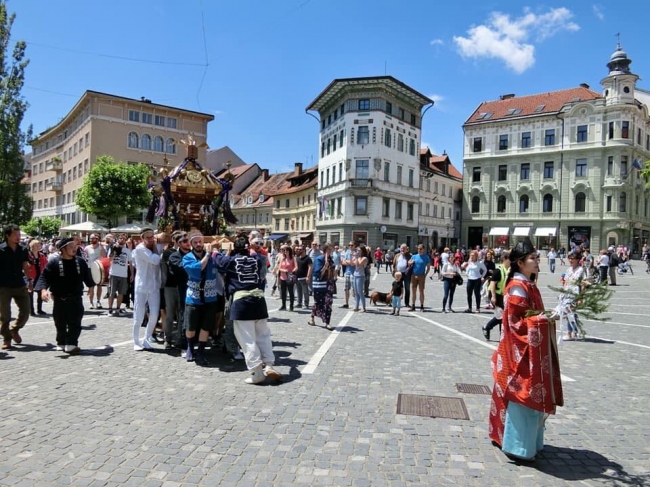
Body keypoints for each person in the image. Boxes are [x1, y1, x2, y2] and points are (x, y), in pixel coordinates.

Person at [488, 237, 563, 462]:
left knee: (524, 393)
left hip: (528, 349)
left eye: (536, 257)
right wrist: (544, 318)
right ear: (520, 263)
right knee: (523, 393)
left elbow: (529, 316)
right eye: (532, 257)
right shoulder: (519, 287)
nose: (537, 260)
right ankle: (518, 445)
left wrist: (546, 316)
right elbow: (515, 323)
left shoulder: (528, 284)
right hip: (519, 351)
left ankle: (518, 440)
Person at [214, 232, 282, 384]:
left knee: (247, 339)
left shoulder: (230, 260)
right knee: (263, 335)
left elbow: (218, 261)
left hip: (242, 302)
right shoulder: (255, 259)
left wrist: (216, 250)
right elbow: (257, 256)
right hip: (259, 300)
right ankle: (269, 364)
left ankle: (257, 372)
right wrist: (248, 249)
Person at [35, 237, 95, 354]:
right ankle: (61, 342)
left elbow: (87, 276)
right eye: (71, 247)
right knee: (60, 322)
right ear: (62, 249)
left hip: (76, 298)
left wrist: (91, 287)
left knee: (75, 322)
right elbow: (44, 277)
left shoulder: (80, 261)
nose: (74, 249)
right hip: (59, 299)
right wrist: (43, 290)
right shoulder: (54, 262)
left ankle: (71, 344)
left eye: (75, 246)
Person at [181, 233, 220, 366]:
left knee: (206, 326)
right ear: (191, 244)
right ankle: (190, 348)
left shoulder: (212, 256)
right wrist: (208, 255)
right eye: (195, 242)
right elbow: (197, 269)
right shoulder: (187, 258)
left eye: (200, 242)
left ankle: (201, 352)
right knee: (191, 326)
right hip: (194, 297)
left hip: (210, 296)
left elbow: (223, 265)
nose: (198, 244)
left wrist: (218, 252)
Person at [0, 225, 31, 350]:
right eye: (15, 235)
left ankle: (15, 329)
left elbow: (25, 265)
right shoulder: (1, 249)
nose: (18, 237)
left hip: (19, 284)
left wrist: (29, 280)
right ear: (7, 236)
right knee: (5, 315)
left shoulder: (23, 249)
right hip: (3, 285)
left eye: (19, 234)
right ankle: (7, 338)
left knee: (26, 311)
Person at [131, 228, 162, 351]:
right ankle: (136, 341)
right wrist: (158, 249)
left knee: (154, 315)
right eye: (148, 237)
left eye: (152, 237)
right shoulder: (139, 249)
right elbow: (155, 260)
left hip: (154, 286)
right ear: (142, 238)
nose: (151, 239)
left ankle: (146, 339)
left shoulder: (155, 247)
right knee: (138, 315)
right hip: (141, 286)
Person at [482, 251, 511, 341]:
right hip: (496, 295)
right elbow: (493, 283)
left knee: (502, 316)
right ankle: (487, 327)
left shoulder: (508, 270)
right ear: (505, 259)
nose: (511, 261)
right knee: (501, 315)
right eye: (510, 259)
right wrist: (493, 296)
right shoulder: (498, 270)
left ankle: (499, 334)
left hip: (503, 295)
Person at [559, 251, 586, 341]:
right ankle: (574, 332)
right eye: (569, 258)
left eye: (572, 258)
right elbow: (566, 281)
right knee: (568, 313)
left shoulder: (581, 270)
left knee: (571, 313)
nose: (570, 260)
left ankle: (571, 333)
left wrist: (581, 297)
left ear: (577, 260)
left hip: (575, 294)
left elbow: (583, 284)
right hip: (567, 293)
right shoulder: (569, 269)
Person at [308, 243, 336, 329]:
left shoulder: (331, 259)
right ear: (324, 250)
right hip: (320, 285)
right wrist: (325, 266)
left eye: (331, 250)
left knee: (328, 303)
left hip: (329, 284)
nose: (330, 252)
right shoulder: (319, 259)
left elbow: (333, 269)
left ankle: (327, 322)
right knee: (318, 303)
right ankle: (312, 318)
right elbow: (317, 273)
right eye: (328, 250)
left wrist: (334, 277)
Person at [106, 234, 133, 315]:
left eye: (124, 239)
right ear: (118, 239)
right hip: (114, 273)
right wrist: (114, 252)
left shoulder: (127, 251)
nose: (122, 240)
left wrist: (132, 274)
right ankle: (110, 309)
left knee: (121, 293)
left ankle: (118, 308)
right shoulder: (113, 248)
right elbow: (109, 260)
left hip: (123, 274)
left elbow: (130, 263)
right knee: (112, 292)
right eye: (120, 238)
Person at [84, 233, 106, 309]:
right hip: (90, 267)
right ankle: (91, 302)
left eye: (94, 238)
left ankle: (98, 301)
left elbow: (104, 256)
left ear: (97, 239)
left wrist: (102, 247)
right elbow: (85, 257)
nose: (92, 240)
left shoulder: (100, 247)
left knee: (99, 285)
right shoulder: (87, 248)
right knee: (91, 286)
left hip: (99, 268)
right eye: (91, 238)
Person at [27, 239, 48, 316]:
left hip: (40, 276)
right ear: (32, 246)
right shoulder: (28, 255)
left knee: (40, 293)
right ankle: (31, 310)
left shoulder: (41, 255)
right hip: (31, 276)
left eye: (39, 244)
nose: (39, 246)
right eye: (37, 245)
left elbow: (46, 264)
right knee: (30, 294)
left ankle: (39, 309)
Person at [408, 244, 431, 311]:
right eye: (418, 248)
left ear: (423, 249)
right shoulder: (414, 256)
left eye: (420, 249)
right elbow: (409, 263)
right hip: (413, 275)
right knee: (413, 291)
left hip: (421, 276)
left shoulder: (426, 257)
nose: (419, 250)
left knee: (421, 291)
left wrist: (425, 275)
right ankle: (413, 305)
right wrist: (410, 262)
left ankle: (421, 306)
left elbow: (428, 267)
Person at [276, 245, 297, 311]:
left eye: (286, 250)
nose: (285, 252)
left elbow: (296, 267)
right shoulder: (283, 258)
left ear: (289, 251)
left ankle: (291, 306)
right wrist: (284, 270)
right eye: (284, 251)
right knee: (283, 292)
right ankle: (283, 305)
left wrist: (292, 271)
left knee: (291, 292)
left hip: (289, 277)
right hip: (283, 277)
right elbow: (279, 267)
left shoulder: (293, 258)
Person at [351, 245, 368, 312]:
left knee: (360, 292)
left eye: (359, 250)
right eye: (357, 250)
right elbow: (352, 264)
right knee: (356, 292)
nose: (358, 251)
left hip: (361, 276)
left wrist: (356, 257)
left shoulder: (364, 258)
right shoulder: (357, 257)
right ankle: (356, 306)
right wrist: (351, 256)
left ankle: (364, 307)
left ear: (362, 251)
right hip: (355, 275)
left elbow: (359, 264)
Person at [340, 242, 356, 309]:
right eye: (349, 245)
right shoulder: (347, 252)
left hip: (354, 273)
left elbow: (353, 263)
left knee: (354, 289)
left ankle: (356, 304)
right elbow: (343, 262)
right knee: (346, 289)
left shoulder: (356, 253)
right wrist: (349, 262)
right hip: (347, 272)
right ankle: (346, 303)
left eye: (351, 245)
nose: (350, 246)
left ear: (354, 246)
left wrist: (348, 262)